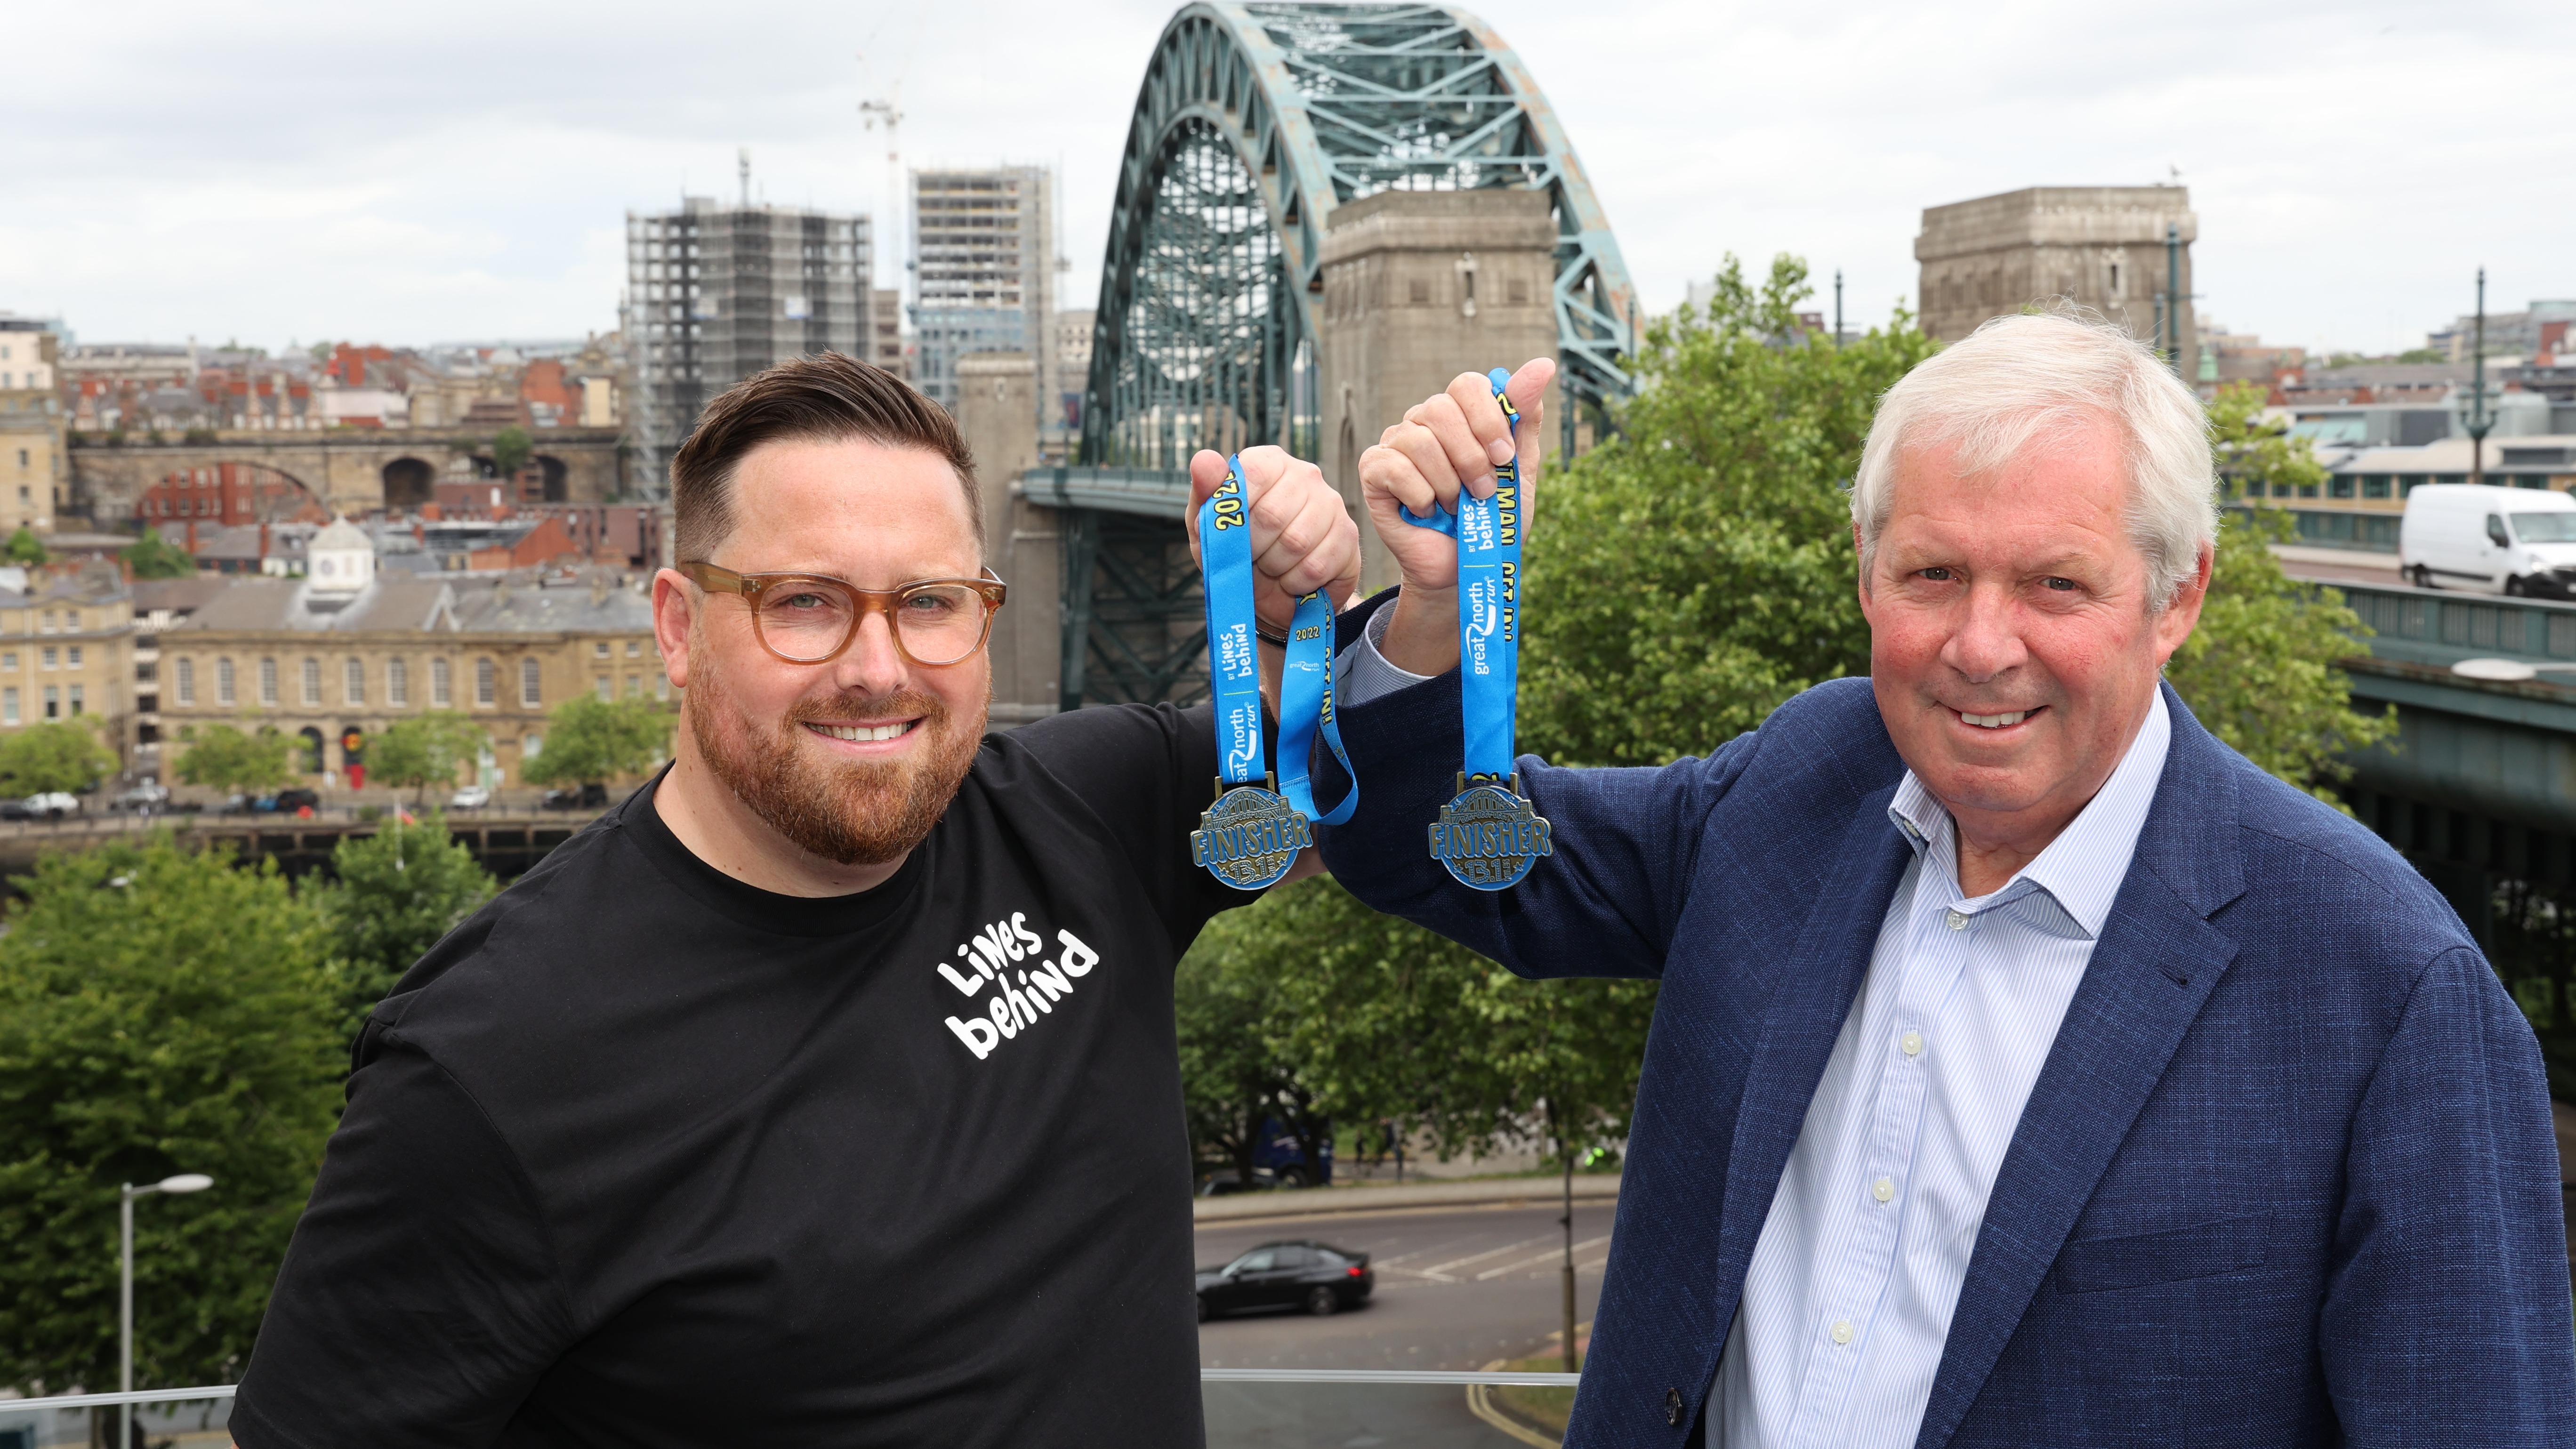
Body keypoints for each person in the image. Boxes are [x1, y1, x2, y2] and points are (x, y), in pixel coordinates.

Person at [1323, 313, 2576, 1446]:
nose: (1983, 645)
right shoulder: (1804, 782)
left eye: (2055, 582)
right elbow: (1434, 847)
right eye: (1933, 574)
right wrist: (1443, 607)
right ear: (1866, 571)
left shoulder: (2388, 986)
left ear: (2176, 593)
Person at [230, 353, 1359, 1449]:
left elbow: (1362, 797)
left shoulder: (1085, 812)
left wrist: (1302, 622)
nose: (877, 668)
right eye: (806, 602)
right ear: (678, 627)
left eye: (929, 602)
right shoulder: (488, 1069)